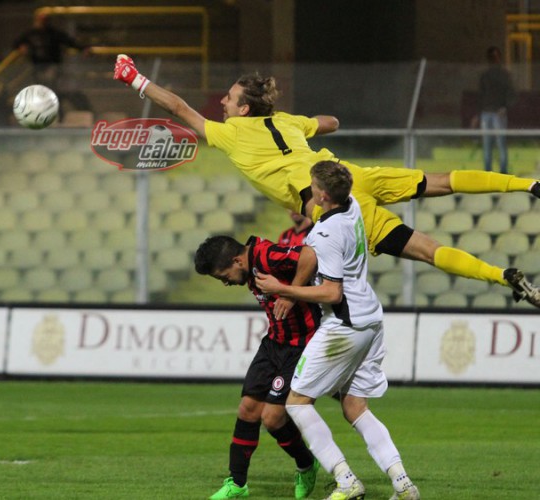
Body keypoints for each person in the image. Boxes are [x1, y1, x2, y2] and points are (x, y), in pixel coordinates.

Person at [112, 55, 540, 308]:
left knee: (426, 250)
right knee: (443, 180)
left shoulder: (229, 133)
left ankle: (502, 276)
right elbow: (331, 121)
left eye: (228, 98)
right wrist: (310, 127)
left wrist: (136, 79)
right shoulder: (286, 121)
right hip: (351, 173)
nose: (222, 102)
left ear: (243, 111)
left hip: (335, 203)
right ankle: (528, 185)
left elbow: (178, 107)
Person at [255, 161, 420, 500]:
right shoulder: (353, 205)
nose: (309, 191)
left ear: (323, 195)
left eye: (313, 187)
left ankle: (346, 480)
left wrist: (282, 289)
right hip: (371, 318)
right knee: (355, 407)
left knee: (297, 404)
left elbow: (332, 293)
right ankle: (403, 483)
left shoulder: (325, 234)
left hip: (345, 324)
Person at [195, 234, 321, 499]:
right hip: (274, 343)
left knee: (273, 418)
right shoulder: (250, 265)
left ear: (237, 260)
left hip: (302, 345)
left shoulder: (265, 255)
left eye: (223, 275)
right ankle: (237, 484)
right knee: (248, 409)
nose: (225, 282)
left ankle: (306, 464)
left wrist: (289, 293)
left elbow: (309, 256)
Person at [471, 46, 516, 174]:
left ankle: (503, 172)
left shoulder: (504, 75)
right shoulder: (486, 76)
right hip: (487, 113)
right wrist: (478, 115)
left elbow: (511, 94)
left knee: (500, 143)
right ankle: (488, 173)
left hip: (497, 113)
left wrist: (504, 108)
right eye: (492, 57)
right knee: (487, 145)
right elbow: (481, 96)